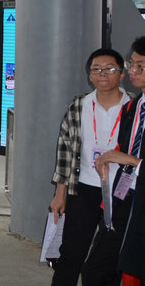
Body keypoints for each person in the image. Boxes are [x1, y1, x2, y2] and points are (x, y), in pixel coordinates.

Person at [49, 48, 129, 286]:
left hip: (121, 193)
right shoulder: (79, 105)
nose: (102, 74)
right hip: (83, 188)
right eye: (96, 69)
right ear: (90, 75)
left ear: (122, 74)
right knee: (71, 253)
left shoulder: (133, 107)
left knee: (109, 260)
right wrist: (60, 194)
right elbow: (65, 151)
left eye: (109, 69)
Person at [95, 38, 145, 286]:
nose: (133, 71)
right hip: (125, 196)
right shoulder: (133, 107)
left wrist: (132, 161)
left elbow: (130, 157)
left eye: (140, 66)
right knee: (98, 270)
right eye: (131, 64)